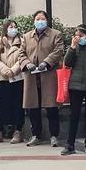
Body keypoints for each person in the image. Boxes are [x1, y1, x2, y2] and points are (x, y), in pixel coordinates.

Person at [22, 10, 65, 146]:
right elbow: (21, 53)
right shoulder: (27, 36)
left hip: (48, 76)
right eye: (37, 19)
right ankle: (36, 135)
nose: (40, 21)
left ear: (47, 20)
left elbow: (58, 50)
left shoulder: (55, 34)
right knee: (33, 108)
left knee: (51, 107)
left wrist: (46, 62)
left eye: (42, 19)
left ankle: (54, 135)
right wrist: (27, 63)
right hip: (32, 77)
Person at [61, 23, 86, 155]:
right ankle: (69, 144)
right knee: (74, 115)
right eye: (76, 35)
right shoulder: (75, 47)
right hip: (75, 85)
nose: (78, 38)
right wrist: (72, 47)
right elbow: (67, 63)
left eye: (81, 35)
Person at [0, 20, 27, 143]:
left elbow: (23, 57)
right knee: (2, 105)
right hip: (3, 78)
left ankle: (18, 131)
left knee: (18, 104)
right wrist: (6, 71)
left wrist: (13, 70)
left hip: (17, 77)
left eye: (15, 27)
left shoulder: (22, 41)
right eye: (10, 27)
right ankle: (0, 131)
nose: (13, 29)